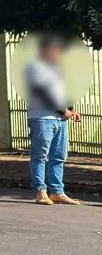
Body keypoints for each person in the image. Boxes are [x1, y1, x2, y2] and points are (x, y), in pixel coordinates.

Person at [26, 35, 82, 205]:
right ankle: (40, 191)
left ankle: (57, 192)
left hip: (60, 119)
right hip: (42, 118)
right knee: (39, 156)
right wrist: (63, 110)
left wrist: (71, 110)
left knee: (58, 156)